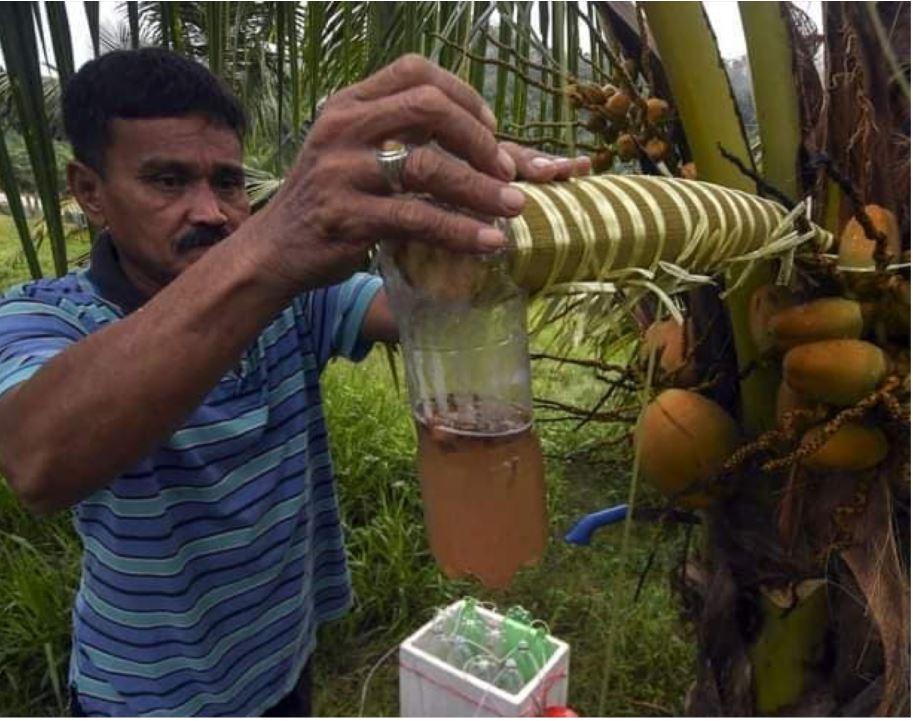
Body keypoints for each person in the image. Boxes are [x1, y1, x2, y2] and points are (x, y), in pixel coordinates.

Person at [0, 48, 588, 716]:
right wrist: (276, 242)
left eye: (227, 182)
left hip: (283, 665)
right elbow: (37, 458)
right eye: (167, 180)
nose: (212, 212)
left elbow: (423, 303)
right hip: (143, 695)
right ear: (89, 190)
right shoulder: (44, 315)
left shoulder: (291, 297)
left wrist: (477, 215)